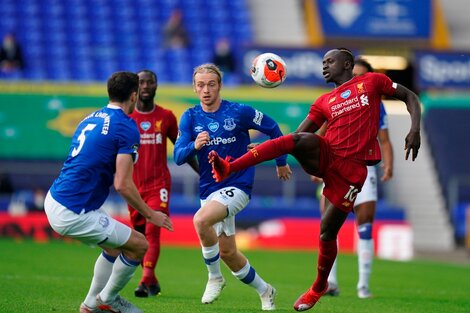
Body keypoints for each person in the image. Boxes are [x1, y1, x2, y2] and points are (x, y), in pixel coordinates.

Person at [209, 48, 421, 311]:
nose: (324, 67)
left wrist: (414, 129)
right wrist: (281, 149)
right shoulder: (323, 101)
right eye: (322, 62)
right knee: (298, 140)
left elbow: (409, 96)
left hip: (352, 171)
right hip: (327, 155)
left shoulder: (372, 82)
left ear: (347, 64)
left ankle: (319, 286)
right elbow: (297, 136)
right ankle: (230, 167)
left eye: (329, 61)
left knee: (327, 231)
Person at [44, 71, 173, 313]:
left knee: (114, 247)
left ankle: (90, 305)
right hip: (73, 211)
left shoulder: (91, 117)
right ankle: (109, 299)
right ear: (133, 95)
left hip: (55, 198)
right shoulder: (126, 127)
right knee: (139, 244)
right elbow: (122, 184)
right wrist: (150, 214)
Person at [173, 63, 292, 311]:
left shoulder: (239, 112)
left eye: (211, 84)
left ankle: (214, 277)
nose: (206, 89)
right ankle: (266, 290)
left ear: (220, 86)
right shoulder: (190, 117)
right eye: (201, 85)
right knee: (228, 253)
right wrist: (194, 146)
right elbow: (178, 156)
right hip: (209, 190)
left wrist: (280, 162)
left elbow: (274, 130)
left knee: (200, 220)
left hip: (238, 185)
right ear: (195, 88)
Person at [314, 58, 395, 299]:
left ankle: (363, 285)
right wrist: (316, 166)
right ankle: (331, 281)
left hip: (364, 167)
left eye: (362, 76)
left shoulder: (375, 103)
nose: (357, 81)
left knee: (365, 225)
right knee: (328, 228)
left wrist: (388, 164)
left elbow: (385, 138)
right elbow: (320, 131)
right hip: (335, 168)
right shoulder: (334, 99)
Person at [128, 69, 198, 298]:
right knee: (138, 237)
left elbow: (183, 150)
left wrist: (203, 173)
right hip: (134, 187)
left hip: (159, 185)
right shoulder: (127, 119)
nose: (146, 86)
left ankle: (145, 280)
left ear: (156, 86)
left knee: (152, 232)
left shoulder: (166, 117)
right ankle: (153, 280)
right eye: (142, 82)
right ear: (136, 88)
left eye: (150, 82)